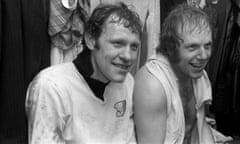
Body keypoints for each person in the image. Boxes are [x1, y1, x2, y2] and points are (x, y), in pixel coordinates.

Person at [25, 2, 142, 144]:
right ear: (91, 39)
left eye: (134, 47)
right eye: (117, 43)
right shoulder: (52, 87)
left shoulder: (127, 83)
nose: (127, 56)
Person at [133, 3, 215, 144]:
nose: (203, 55)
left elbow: (200, 127)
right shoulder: (152, 84)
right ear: (171, 47)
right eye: (192, 47)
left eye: (207, 46)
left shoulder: (197, 73)